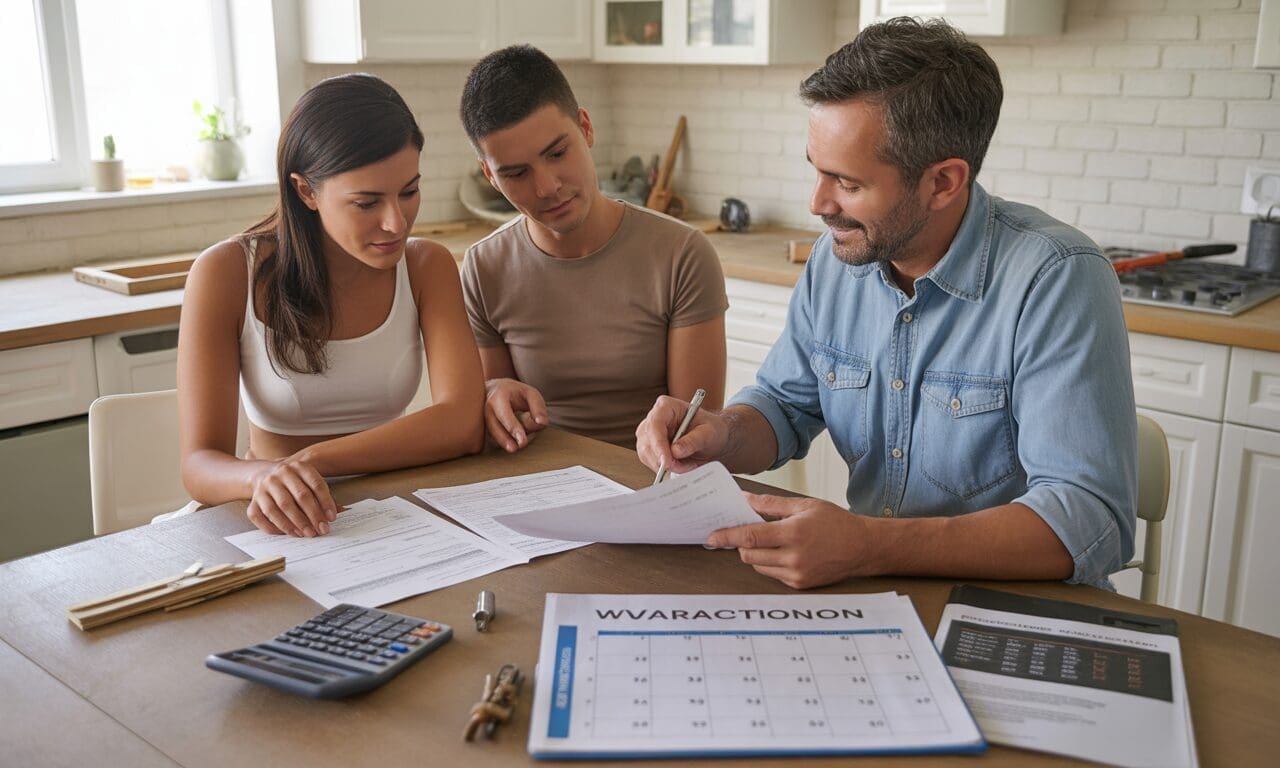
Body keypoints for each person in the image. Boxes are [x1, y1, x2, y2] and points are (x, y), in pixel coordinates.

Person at [635, 17, 1138, 590]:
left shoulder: (1056, 279)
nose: (818, 204)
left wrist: (866, 545)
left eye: (847, 183)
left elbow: (1089, 521)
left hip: (1012, 612)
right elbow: (783, 406)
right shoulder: (838, 258)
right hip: (873, 595)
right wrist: (721, 433)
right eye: (816, 171)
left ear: (943, 182)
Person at [178, 73, 485, 537]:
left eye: (409, 191)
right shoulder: (225, 274)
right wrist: (263, 475)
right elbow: (199, 466)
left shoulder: (427, 266)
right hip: (274, 519)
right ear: (306, 192)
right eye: (366, 203)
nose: (395, 222)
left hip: (390, 513)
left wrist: (311, 461)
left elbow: (462, 422)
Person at [458, 45, 728, 451]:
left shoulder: (682, 255)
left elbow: (694, 435)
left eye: (557, 153)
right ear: (490, 176)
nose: (547, 187)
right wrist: (492, 392)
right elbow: (507, 430)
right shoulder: (484, 268)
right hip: (538, 488)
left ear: (585, 127)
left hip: (652, 485)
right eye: (516, 173)